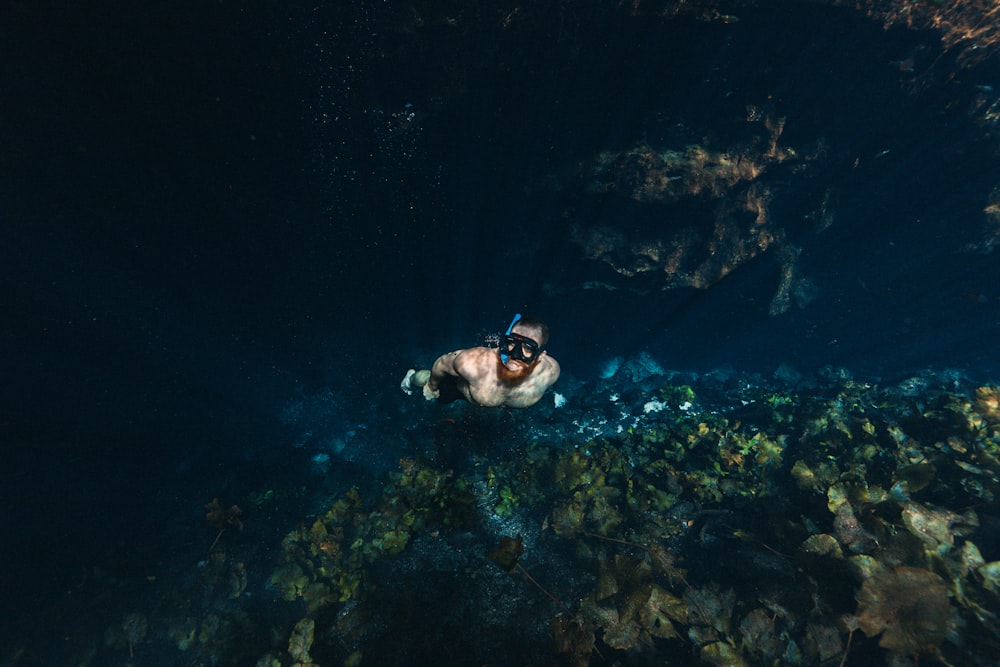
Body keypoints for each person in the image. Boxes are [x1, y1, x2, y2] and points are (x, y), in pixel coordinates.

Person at [401, 314, 560, 408]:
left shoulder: (550, 372)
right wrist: (432, 385)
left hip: (491, 401)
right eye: (511, 343)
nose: (515, 354)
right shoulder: (473, 363)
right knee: (429, 384)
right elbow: (442, 363)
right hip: (460, 389)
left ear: (540, 357)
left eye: (528, 348)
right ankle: (410, 377)